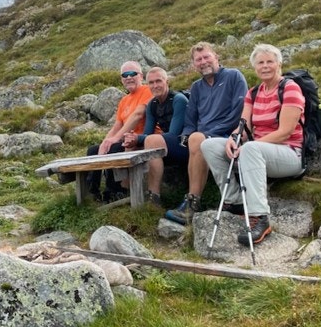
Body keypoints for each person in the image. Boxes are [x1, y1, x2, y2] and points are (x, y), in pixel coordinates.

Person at [199, 43, 305, 245]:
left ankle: (260, 217)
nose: (265, 66)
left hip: (290, 154)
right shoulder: (253, 93)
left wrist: (248, 146)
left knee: (250, 148)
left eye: (269, 62)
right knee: (209, 145)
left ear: (279, 64)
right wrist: (233, 139)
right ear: (255, 67)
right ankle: (236, 201)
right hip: (257, 152)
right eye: (260, 63)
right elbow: (243, 127)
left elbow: (285, 132)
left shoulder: (290, 88)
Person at [165, 42, 248, 224]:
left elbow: (239, 113)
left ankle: (192, 204)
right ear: (194, 64)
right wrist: (186, 135)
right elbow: (191, 118)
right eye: (198, 59)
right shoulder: (196, 87)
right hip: (202, 137)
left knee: (197, 138)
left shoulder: (234, 76)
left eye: (206, 57)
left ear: (216, 56)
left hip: (227, 135)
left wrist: (207, 133)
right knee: (193, 138)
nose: (203, 62)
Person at [85, 60, 153, 202]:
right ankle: (92, 192)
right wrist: (106, 141)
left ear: (141, 76)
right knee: (94, 150)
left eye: (132, 73)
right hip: (125, 138)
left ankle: (115, 191)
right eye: (124, 75)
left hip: (142, 139)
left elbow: (138, 115)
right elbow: (117, 125)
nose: (128, 77)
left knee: (114, 148)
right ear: (121, 80)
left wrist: (115, 139)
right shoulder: (124, 100)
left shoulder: (147, 91)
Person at [122, 66, 187, 206]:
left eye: (159, 81)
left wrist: (140, 138)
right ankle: (126, 191)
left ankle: (154, 196)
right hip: (166, 144)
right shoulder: (152, 104)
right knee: (130, 146)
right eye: (151, 83)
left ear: (167, 81)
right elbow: (147, 132)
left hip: (184, 145)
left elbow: (174, 134)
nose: (155, 85)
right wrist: (133, 139)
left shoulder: (178, 99)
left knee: (151, 140)